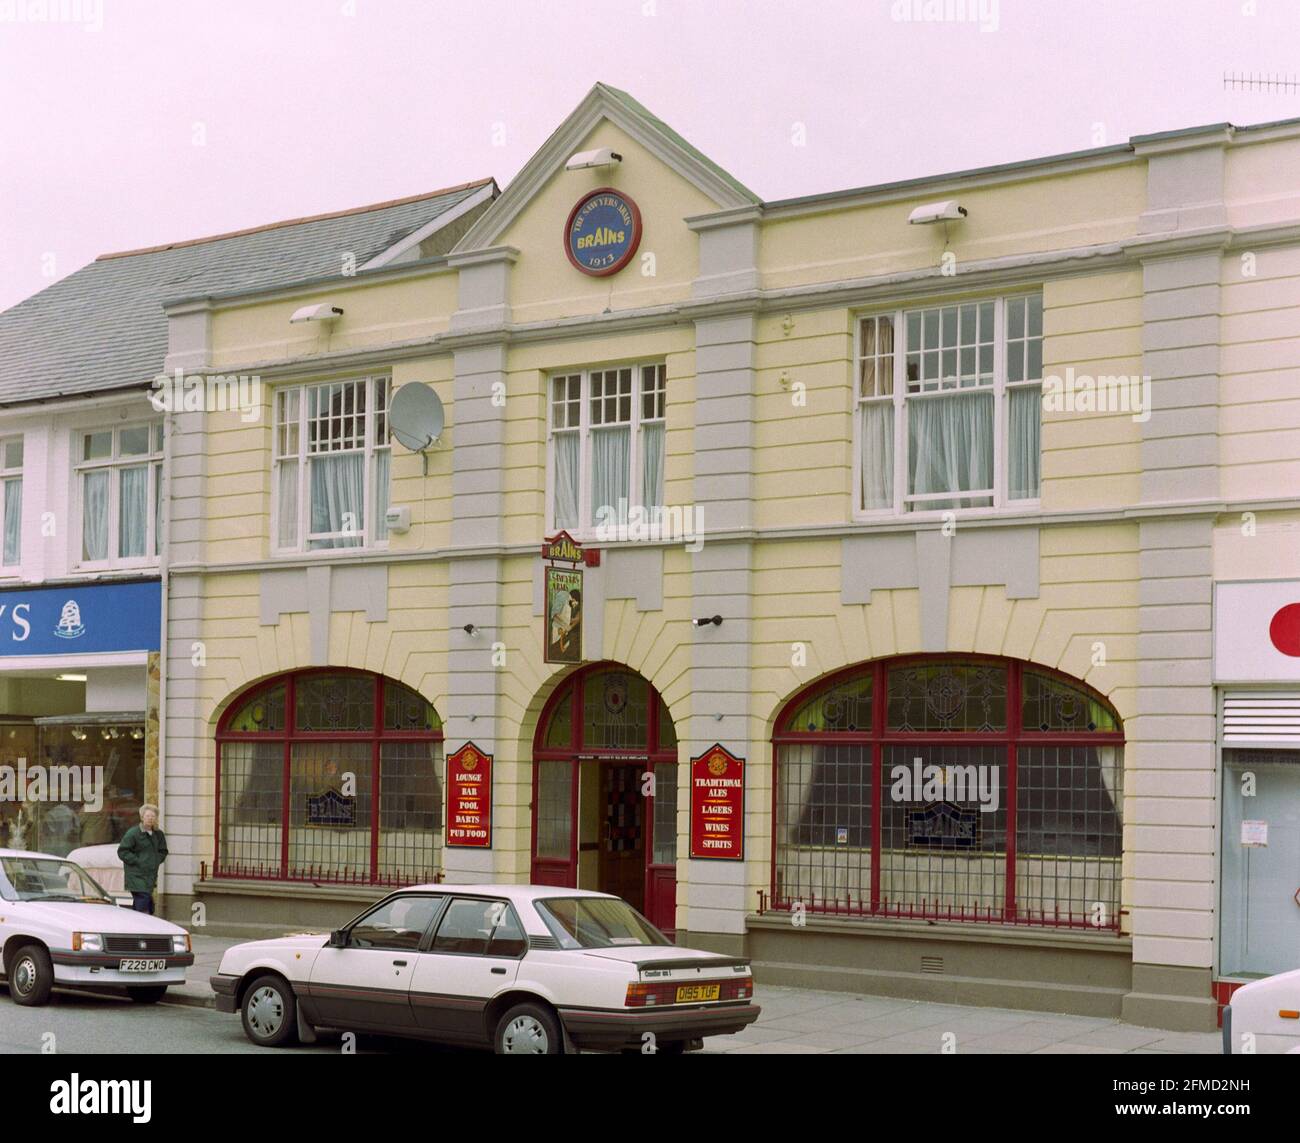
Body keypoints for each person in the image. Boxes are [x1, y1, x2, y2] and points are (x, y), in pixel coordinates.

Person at [117, 804, 168, 914]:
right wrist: (138, 861)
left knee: (144, 901)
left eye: (153, 816)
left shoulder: (158, 834)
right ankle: (144, 925)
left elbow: (163, 851)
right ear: (142, 817)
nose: (150, 818)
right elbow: (123, 851)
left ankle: (135, 925)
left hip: (150, 875)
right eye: (148, 816)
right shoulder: (133, 833)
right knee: (144, 900)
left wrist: (156, 860)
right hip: (136, 875)